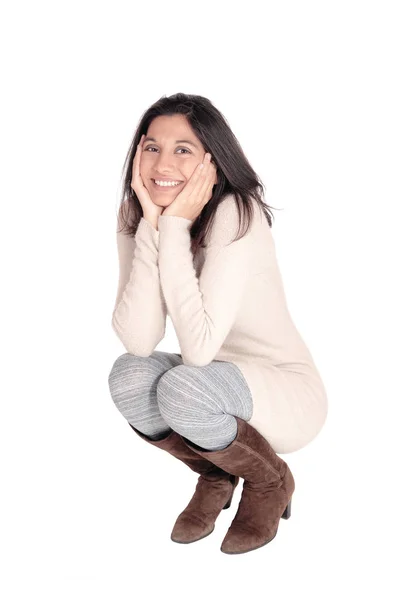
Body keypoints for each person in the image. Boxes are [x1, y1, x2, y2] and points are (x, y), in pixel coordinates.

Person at [107, 92, 328, 555]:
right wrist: (150, 227)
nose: (162, 163)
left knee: (184, 387)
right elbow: (140, 339)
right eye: (152, 147)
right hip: (213, 386)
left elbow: (200, 350)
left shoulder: (236, 212)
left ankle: (270, 481)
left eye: (182, 150)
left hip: (284, 392)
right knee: (128, 376)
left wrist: (173, 228)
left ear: (211, 160)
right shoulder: (137, 215)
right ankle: (216, 473)